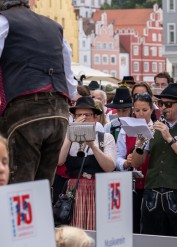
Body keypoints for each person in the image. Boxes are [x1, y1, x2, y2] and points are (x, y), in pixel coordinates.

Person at [0, 0, 78, 184]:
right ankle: (42, 212)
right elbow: (69, 75)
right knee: (43, 185)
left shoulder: (4, 21)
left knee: (19, 185)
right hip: (59, 111)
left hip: (26, 109)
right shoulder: (54, 27)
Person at [131, 83, 177, 237]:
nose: (163, 108)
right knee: (150, 240)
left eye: (168, 104)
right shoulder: (155, 126)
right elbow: (136, 163)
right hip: (152, 193)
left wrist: (170, 138)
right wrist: (138, 145)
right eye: (161, 104)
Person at [57, 96, 116, 230]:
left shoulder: (105, 138)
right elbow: (59, 161)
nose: (83, 118)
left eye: (87, 115)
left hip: (98, 190)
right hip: (74, 191)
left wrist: (93, 146)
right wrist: (70, 133)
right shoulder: (68, 138)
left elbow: (109, 167)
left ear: (95, 118)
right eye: (79, 115)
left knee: (96, 229)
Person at [116, 92, 154, 233]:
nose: (140, 114)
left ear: (151, 109)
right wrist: (125, 162)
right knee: (131, 225)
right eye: (137, 110)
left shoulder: (157, 128)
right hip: (130, 185)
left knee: (149, 226)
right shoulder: (125, 130)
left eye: (144, 110)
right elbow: (118, 156)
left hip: (151, 184)